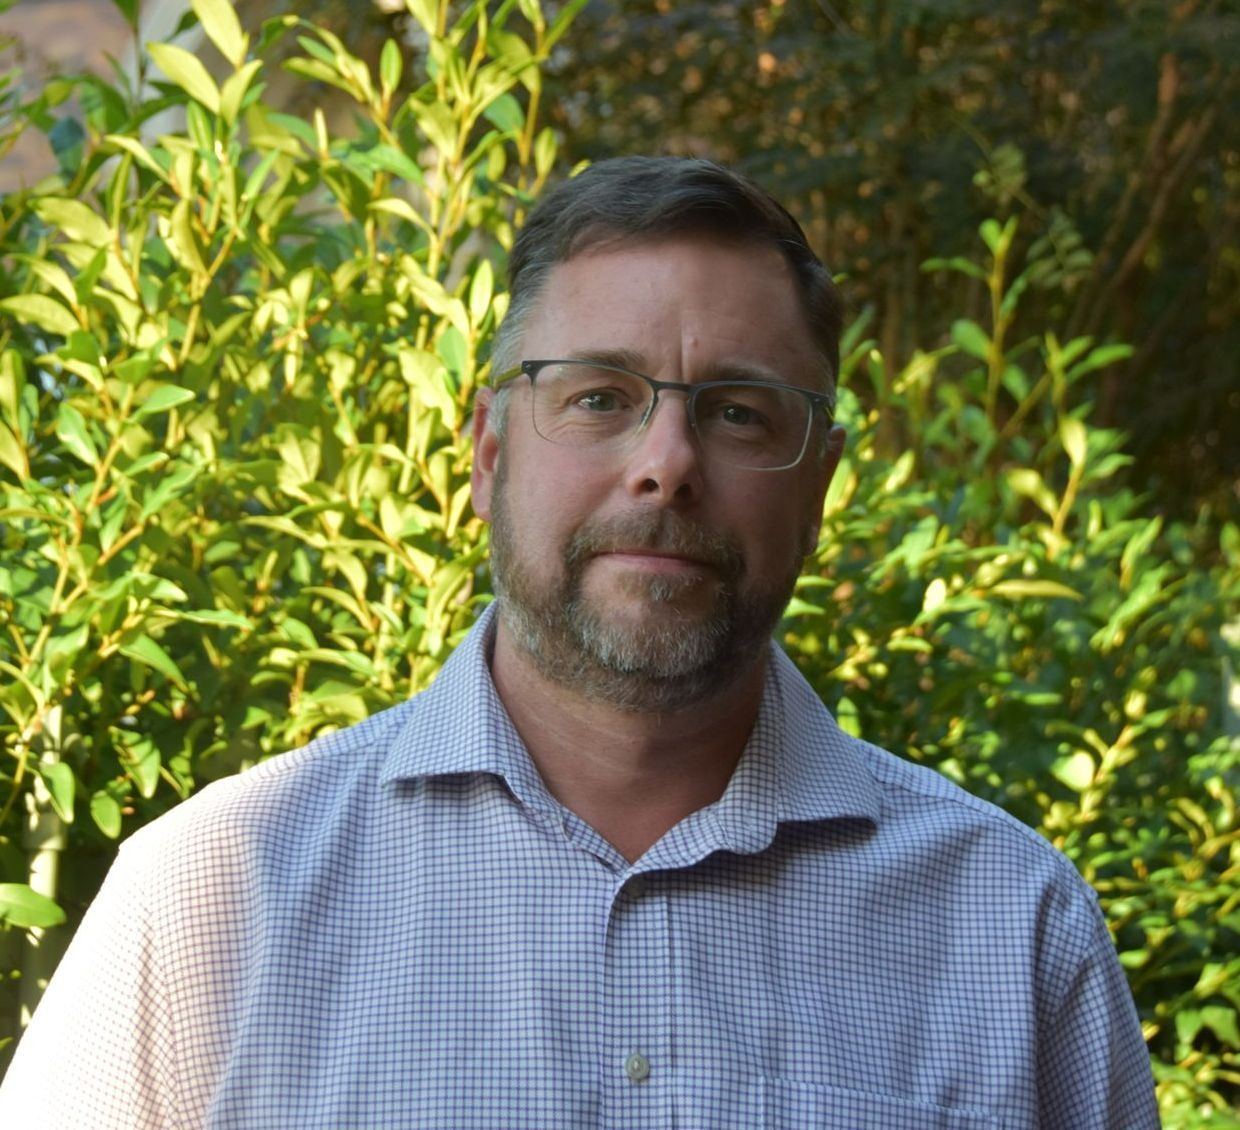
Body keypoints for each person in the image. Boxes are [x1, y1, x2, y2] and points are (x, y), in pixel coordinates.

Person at [0, 156, 1158, 1128]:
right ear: (488, 455)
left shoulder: (1013, 932)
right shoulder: (204, 898)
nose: (667, 460)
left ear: (819, 489)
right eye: (600, 396)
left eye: (740, 410)